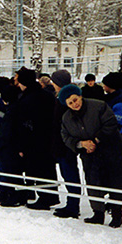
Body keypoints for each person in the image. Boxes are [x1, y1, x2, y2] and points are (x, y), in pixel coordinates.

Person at [60, 84, 122, 228]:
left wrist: (95, 140)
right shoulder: (66, 118)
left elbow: (111, 124)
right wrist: (81, 144)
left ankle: (116, 215)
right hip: (89, 155)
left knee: (115, 183)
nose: (74, 104)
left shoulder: (98, 106)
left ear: (80, 96)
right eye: (70, 103)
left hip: (111, 151)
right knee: (94, 183)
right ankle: (98, 214)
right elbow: (66, 137)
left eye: (75, 100)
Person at [15, 67, 60, 210]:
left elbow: (24, 123)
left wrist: (21, 145)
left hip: (34, 140)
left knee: (38, 169)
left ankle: (45, 198)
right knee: (47, 168)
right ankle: (51, 195)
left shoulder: (27, 98)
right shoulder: (46, 94)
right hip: (48, 137)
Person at [50, 70, 82, 218]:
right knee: (67, 173)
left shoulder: (66, 100)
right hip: (62, 143)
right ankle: (71, 204)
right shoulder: (60, 98)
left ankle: (73, 206)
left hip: (66, 143)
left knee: (70, 173)